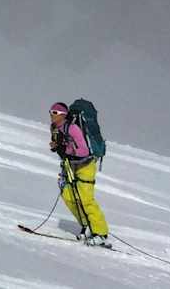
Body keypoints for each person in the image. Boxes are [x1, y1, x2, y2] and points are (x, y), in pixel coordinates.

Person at [50, 101, 109, 246]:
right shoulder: (55, 128)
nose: (52, 115)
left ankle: (101, 233)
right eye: (51, 112)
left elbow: (83, 151)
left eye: (55, 113)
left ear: (63, 115)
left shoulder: (73, 128)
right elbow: (64, 147)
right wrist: (58, 147)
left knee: (86, 199)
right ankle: (87, 225)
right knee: (68, 195)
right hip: (70, 165)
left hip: (86, 165)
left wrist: (66, 151)